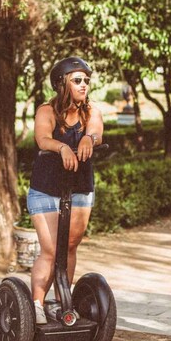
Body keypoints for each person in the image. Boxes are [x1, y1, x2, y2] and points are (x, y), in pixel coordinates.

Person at [28, 56, 104, 325]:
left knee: (70, 245)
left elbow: (96, 132)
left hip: (80, 187)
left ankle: (63, 301)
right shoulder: (46, 111)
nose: (84, 85)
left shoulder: (91, 111)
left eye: (87, 80)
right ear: (62, 83)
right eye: (78, 80)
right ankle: (36, 304)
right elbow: (42, 138)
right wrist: (61, 147)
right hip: (46, 189)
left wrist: (87, 138)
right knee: (51, 250)